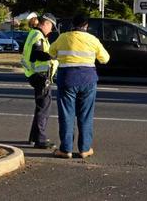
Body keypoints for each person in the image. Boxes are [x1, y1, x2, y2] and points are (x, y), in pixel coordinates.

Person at [49, 14, 110, 159]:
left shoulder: (63, 37)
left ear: (72, 24)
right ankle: (85, 149)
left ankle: (65, 149)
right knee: (85, 115)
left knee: (66, 115)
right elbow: (105, 59)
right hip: (88, 80)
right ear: (86, 26)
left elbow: (51, 53)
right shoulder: (92, 39)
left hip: (67, 79)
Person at [21, 13, 58, 149]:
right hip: (41, 76)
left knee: (40, 107)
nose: (51, 30)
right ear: (46, 23)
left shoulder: (34, 34)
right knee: (44, 108)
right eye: (51, 27)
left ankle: (34, 137)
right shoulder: (38, 35)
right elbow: (37, 54)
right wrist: (53, 55)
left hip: (36, 75)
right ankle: (40, 140)